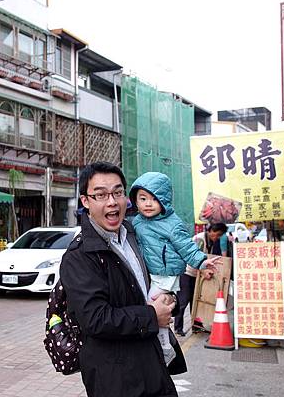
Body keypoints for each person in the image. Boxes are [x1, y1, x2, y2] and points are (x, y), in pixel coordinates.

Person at [60, 162, 181, 397]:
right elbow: (95, 319)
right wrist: (152, 315)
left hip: (152, 363)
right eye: (101, 195)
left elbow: (155, 279)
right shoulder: (79, 256)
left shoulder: (136, 235)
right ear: (86, 202)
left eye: (117, 192)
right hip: (114, 378)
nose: (112, 202)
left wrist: (168, 297)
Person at [129, 172, 219, 358]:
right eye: (143, 198)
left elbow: (186, 246)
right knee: (149, 308)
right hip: (148, 273)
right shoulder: (136, 222)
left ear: (164, 201)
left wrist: (201, 261)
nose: (147, 204)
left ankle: (164, 348)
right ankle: (158, 345)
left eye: (154, 199)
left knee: (155, 307)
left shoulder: (172, 224)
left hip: (165, 275)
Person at [173, 222, 227, 336]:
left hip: (197, 275)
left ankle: (196, 326)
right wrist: (203, 271)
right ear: (210, 230)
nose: (216, 237)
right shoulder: (200, 239)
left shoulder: (211, 241)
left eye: (219, 235)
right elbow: (193, 259)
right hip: (187, 273)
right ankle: (178, 328)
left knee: (196, 300)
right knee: (183, 301)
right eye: (216, 234)